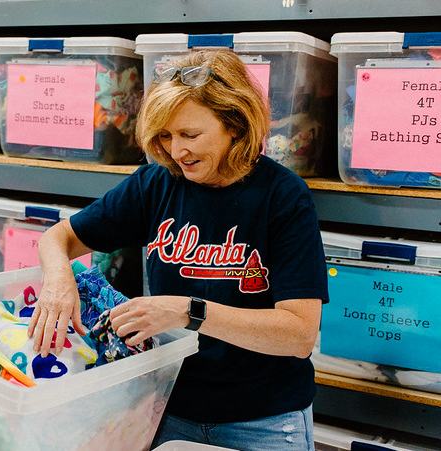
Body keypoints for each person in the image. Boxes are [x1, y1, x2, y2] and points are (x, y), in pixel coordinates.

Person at [27, 49, 328, 450]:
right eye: (165, 136)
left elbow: (297, 335)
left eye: (190, 135)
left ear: (234, 125)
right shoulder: (156, 184)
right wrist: (59, 281)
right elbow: (56, 238)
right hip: (165, 410)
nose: (175, 151)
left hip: (262, 420)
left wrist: (189, 310)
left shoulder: (283, 197)